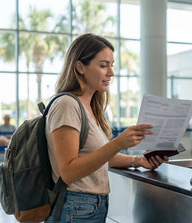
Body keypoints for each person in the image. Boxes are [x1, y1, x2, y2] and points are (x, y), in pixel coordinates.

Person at [44, 33, 168, 223]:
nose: (110, 72)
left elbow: (95, 157)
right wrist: (119, 143)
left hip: (91, 206)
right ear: (80, 67)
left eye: (111, 65)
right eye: (103, 65)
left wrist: (138, 160)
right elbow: (68, 171)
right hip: (75, 207)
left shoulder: (89, 107)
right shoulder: (67, 105)